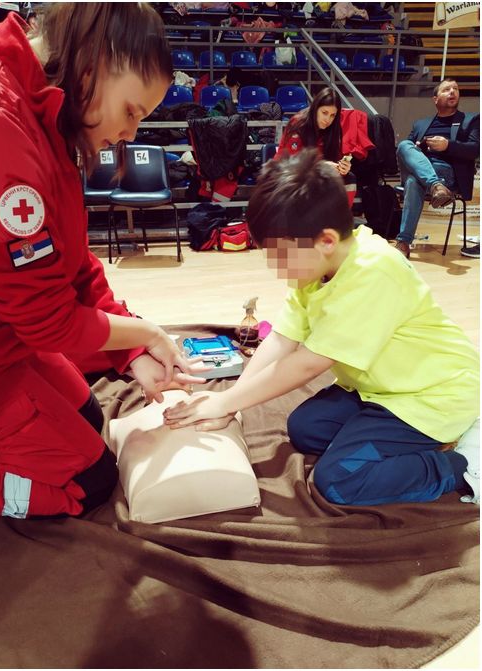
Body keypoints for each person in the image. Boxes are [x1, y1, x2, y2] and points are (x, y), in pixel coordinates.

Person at [0, 3, 204, 519]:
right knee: (87, 485)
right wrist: (146, 333)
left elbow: (72, 263)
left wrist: (131, 352)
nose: (130, 134)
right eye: (132, 111)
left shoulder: (47, 107)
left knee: (88, 414)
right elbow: (46, 320)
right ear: (95, 61)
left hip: (0, 336)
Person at [164, 148, 480, 507]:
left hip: (431, 397)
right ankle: (389, 441)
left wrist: (225, 402)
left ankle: (460, 465)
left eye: (281, 257)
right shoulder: (318, 268)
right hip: (378, 390)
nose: (276, 269)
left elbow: (309, 364)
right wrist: (231, 403)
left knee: (338, 481)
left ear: (326, 241)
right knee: (305, 429)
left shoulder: (374, 271)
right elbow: (282, 339)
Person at [394, 78, 480, 259]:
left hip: (447, 174)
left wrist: (447, 145)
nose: (452, 92)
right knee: (404, 145)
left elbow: (475, 149)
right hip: (424, 171)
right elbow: (407, 152)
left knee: (413, 182)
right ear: (435, 99)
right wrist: (418, 148)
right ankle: (435, 186)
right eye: (446, 89)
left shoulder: (470, 120)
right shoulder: (420, 124)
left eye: (455, 88)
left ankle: (403, 242)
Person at [275, 86, 374, 208]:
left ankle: (340, 218)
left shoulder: (334, 128)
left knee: (349, 178)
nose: (328, 119)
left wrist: (342, 167)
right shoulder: (298, 123)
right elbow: (293, 162)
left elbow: (334, 158)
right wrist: (322, 165)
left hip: (316, 171)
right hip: (289, 171)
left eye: (333, 115)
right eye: (324, 113)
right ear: (315, 108)